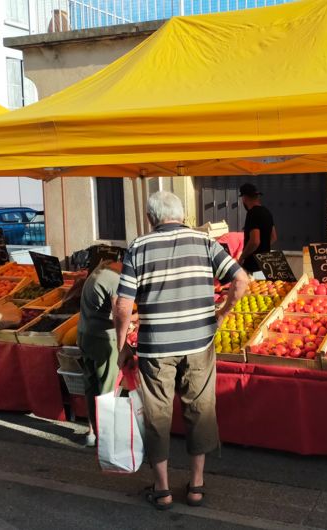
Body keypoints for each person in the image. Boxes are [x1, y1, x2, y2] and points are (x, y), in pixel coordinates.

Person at [114, 191, 249, 510]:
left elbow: (122, 305)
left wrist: (121, 346)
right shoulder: (204, 242)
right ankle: (197, 485)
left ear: (150, 218)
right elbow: (241, 279)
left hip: (155, 347)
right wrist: (222, 314)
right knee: (200, 409)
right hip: (199, 342)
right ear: (183, 215)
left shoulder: (138, 246)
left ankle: (162, 489)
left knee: (157, 415)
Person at [77, 259, 124, 447]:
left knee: (91, 386)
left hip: (84, 335)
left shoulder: (97, 273)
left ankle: (92, 432)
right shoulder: (114, 280)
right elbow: (118, 314)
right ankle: (106, 439)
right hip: (103, 340)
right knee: (107, 389)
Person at [237, 183, 277, 273]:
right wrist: (263, 249)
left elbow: (255, 241)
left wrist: (242, 256)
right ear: (257, 197)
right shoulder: (267, 212)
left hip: (253, 265)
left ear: (244, 198)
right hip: (265, 264)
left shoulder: (252, 213)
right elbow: (274, 237)